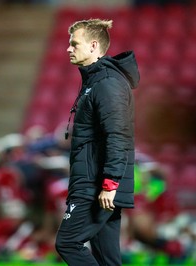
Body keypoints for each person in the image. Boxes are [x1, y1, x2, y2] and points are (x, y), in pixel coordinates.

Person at [55, 19, 139, 266]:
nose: (68, 49)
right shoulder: (96, 81)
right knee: (107, 260)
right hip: (98, 184)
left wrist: (110, 184)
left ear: (93, 46)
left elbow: (118, 135)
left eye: (74, 44)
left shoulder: (107, 83)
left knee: (68, 243)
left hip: (97, 186)